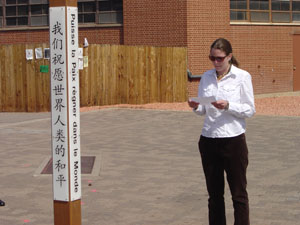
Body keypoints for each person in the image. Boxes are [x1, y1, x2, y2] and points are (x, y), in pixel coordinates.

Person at [188, 38, 255, 225]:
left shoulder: (242, 77)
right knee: (214, 195)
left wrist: (228, 106)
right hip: (209, 140)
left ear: (229, 57)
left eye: (219, 58)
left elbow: (249, 109)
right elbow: (203, 110)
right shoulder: (207, 77)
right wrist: (195, 106)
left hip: (233, 141)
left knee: (238, 194)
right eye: (212, 58)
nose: (215, 62)